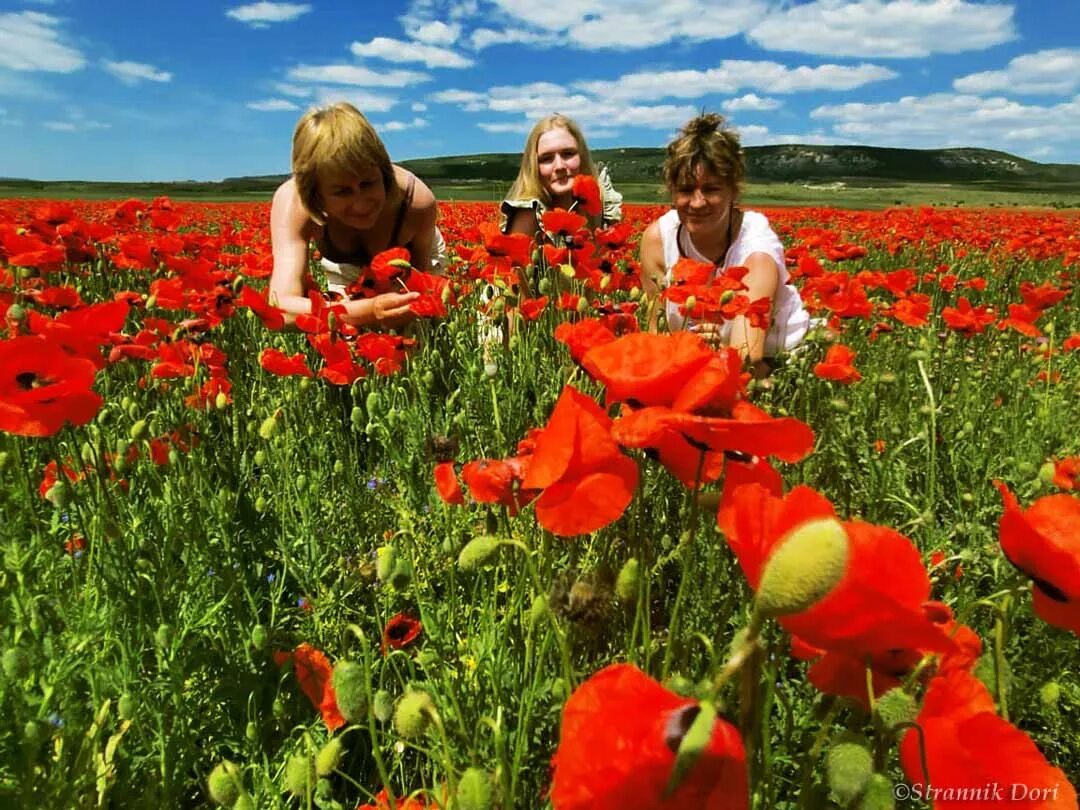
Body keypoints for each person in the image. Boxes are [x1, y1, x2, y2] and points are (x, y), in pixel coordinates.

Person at [639, 113, 809, 373]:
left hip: (774, 365)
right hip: (688, 361)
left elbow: (748, 360)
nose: (697, 202)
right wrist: (682, 347)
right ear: (671, 192)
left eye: (711, 189)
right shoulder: (658, 239)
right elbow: (654, 332)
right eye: (685, 190)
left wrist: (710, 351)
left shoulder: (756, 253)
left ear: (733, 190)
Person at [270, 102, 447, 329]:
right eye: (342, 191)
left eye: (368, 183)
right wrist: (367, 311)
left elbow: (420, 284)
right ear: (315, 193)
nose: (361, 203)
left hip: (407, 267)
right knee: (349, 342)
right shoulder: (294, 204)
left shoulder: (416, 202)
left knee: (417, 336)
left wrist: (409, 309)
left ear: (383, 172)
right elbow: (280, 306)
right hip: (345, 268)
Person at [500, 114, 622, 240]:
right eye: (546, 158)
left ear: (582, 157)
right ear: (534, 166)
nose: (559, 166)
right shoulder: (528, 214)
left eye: (568, 154)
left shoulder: (601, 202)